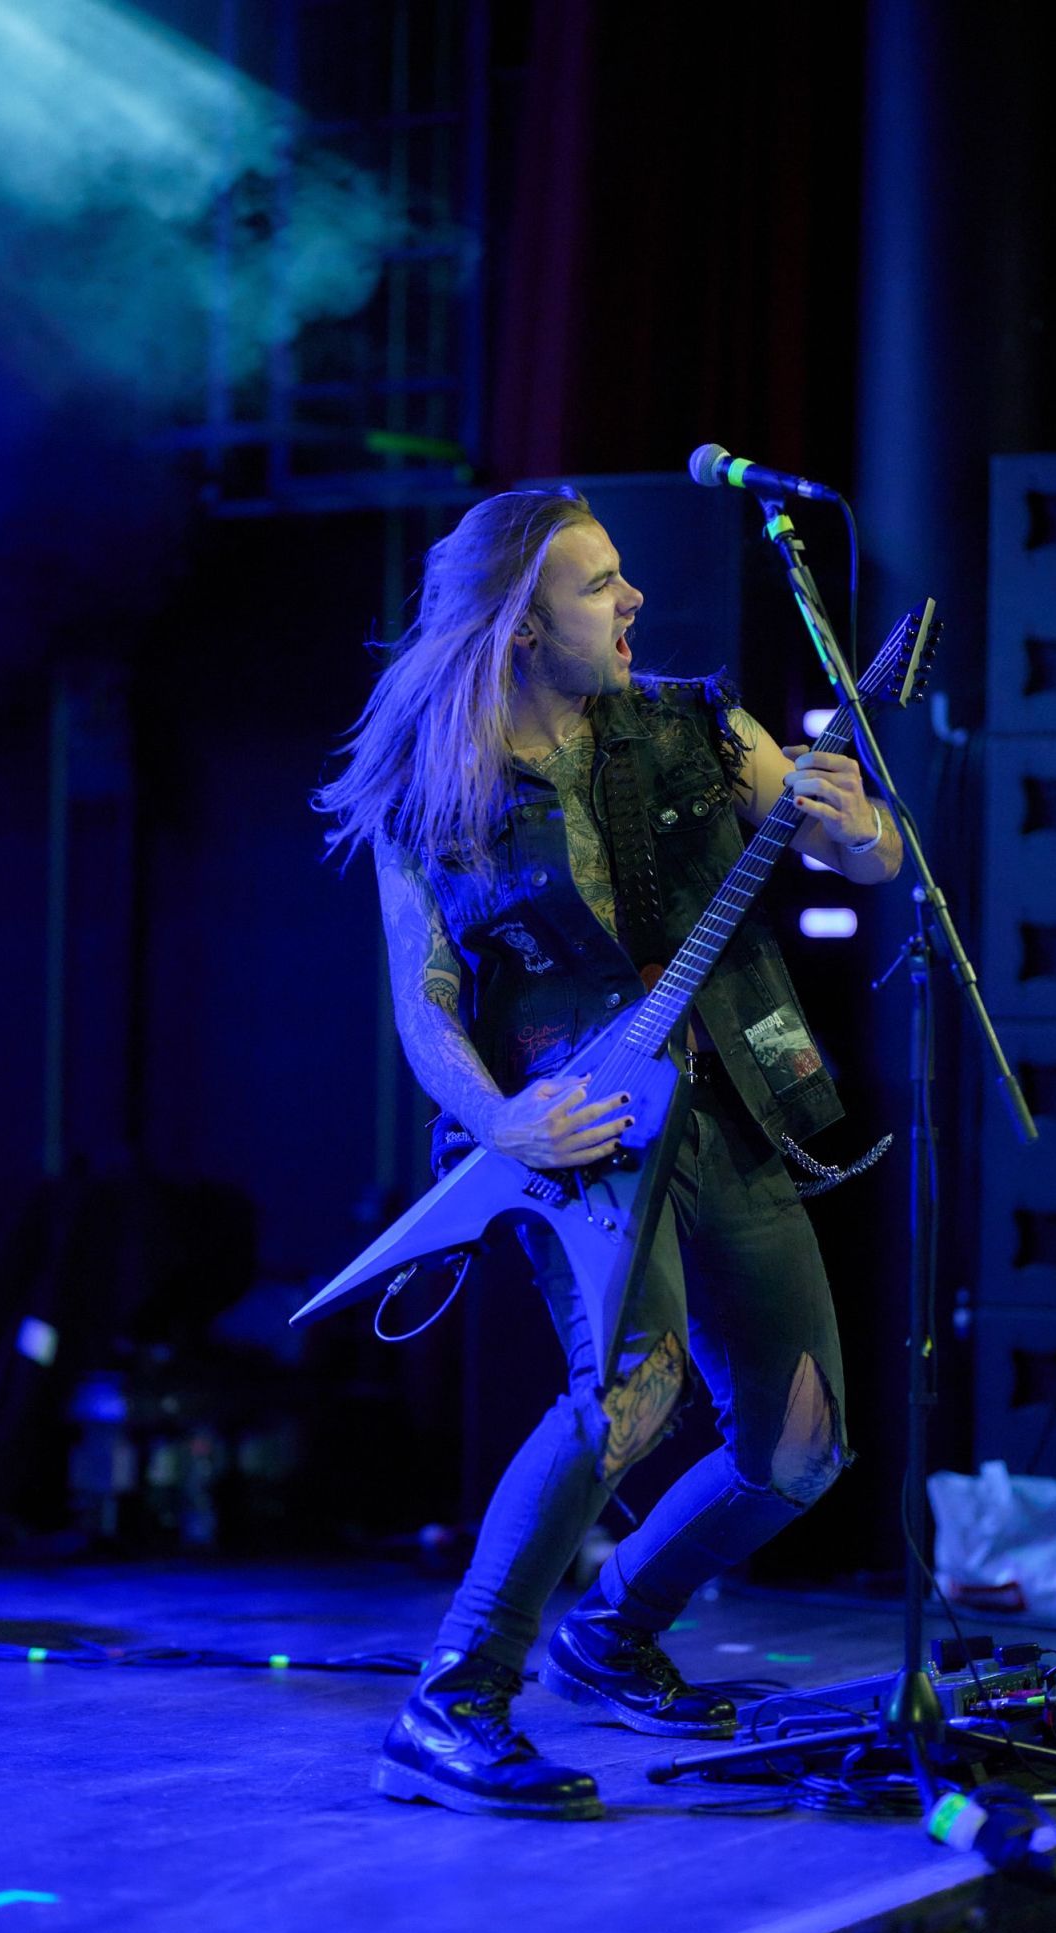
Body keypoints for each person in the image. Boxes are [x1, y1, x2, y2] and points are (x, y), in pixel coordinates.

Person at [315, 486, 901, 1819]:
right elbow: (425, 1001)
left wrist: (859, 826)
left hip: (734, 1100)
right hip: (578, 1129)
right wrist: (497, 1119)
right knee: (628, 1391)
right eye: (598, 585)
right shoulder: (430, 786)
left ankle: (614, 1629)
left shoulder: (698, 726)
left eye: (623, 575)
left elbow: (863, 860)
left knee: (799, 1449)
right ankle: (454, 1699)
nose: (632, 600)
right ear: (521, 626)